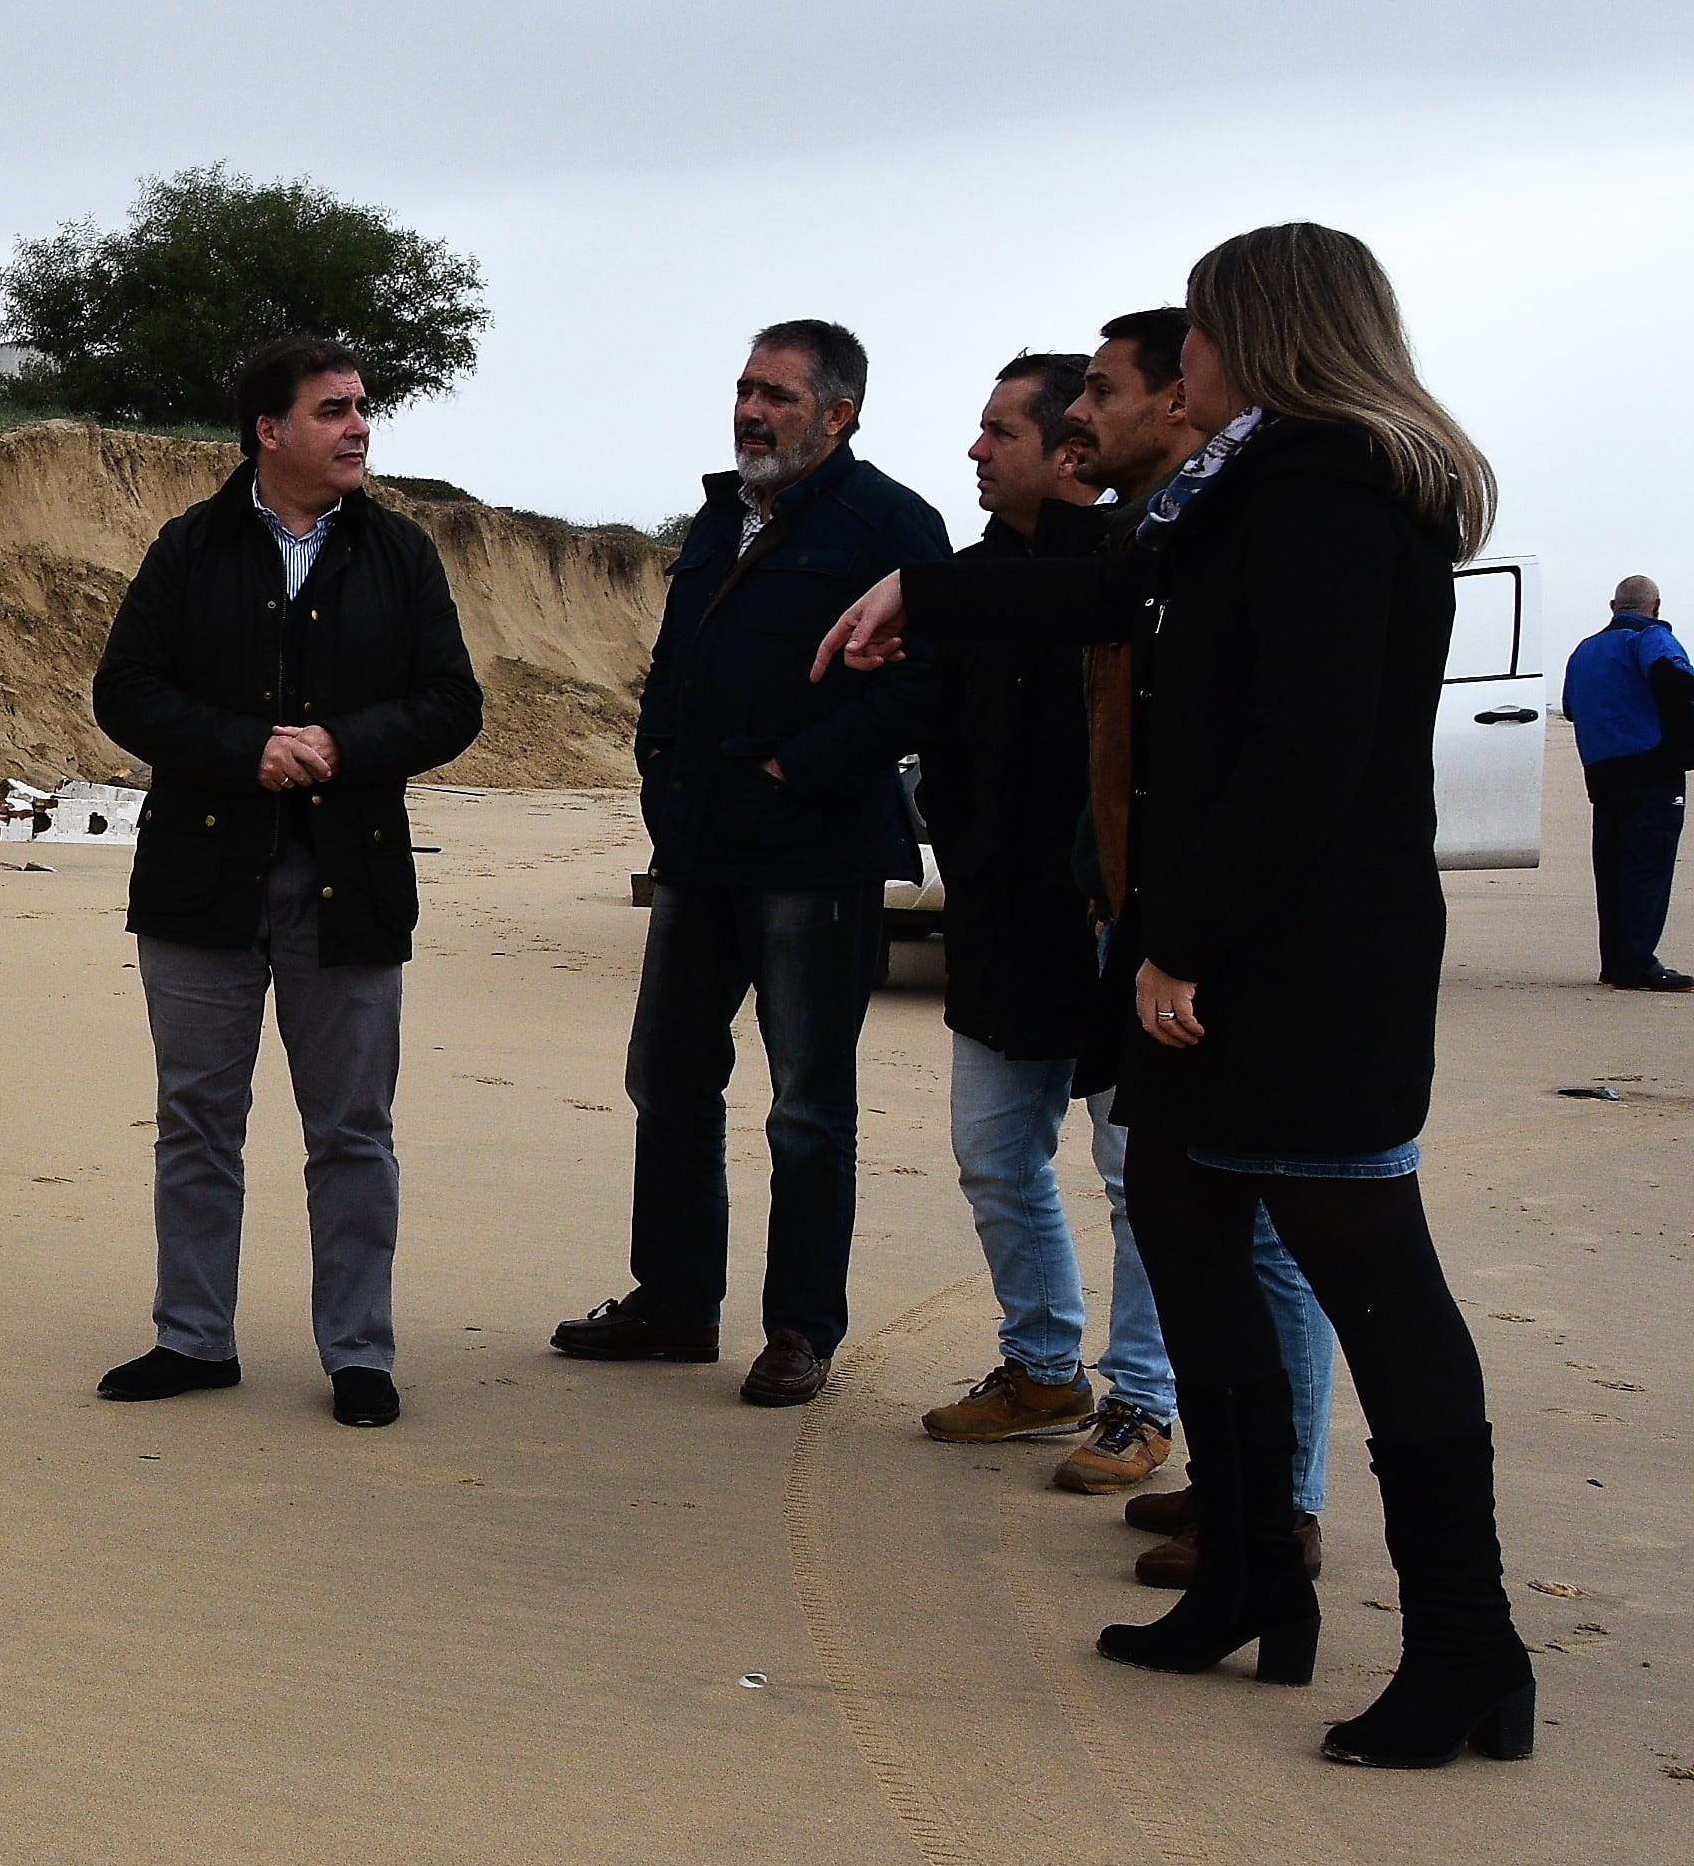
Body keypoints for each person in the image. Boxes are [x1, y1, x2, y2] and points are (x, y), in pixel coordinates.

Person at [821, 223, 1527, 1769]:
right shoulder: (1238, 493)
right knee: (1193, 1234)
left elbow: (1310, 752)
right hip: (1224, 945)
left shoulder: (1338, 488)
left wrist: (1181, 940)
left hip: (1310, 960)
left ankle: (1473, 1646)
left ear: (1258, 334)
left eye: (1195, 333)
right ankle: (1253, 1576)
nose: (1176, 358)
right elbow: (1100, 589)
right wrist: (914, 596)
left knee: (1371, 1269)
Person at [90, 335, 486, 1425]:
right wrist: (242, 746)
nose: (359, 426)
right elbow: (123, 690)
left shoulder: (400, 556)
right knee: (196, 1121)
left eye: (361, 408)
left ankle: (358, 1351)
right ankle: (191, 1337)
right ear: (268, 431)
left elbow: (452, 704)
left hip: (346, 883)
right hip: (200, 880)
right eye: (332, 410)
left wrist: (338, 745)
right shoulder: (189, 546)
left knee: (351, 1130)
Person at [554, 321, 950, 1405]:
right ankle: (675, 1303)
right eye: (742, 389)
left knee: (806, 1105)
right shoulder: (717, 515)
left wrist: (794, 773)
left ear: (837, 413)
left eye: (774, 395)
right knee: (667, 1078)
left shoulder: (891, 523)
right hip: (696, 847)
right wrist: (653, 768)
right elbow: (674, 661)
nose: (748, 412)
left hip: (813, 858)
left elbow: (924, 687)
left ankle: (798, 1331)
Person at [1061, 313, 1343, 1582]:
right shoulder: (1162, 532)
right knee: (1195, 1214)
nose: (1087, 414)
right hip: (1155, 913)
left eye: (1103, 392)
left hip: (1232, 939)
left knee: (1270, 1230)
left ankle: (1276, 1506)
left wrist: (1179, 938)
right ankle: (1236, 1487)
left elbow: (1282, 760)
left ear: (1180, 399)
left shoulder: (1258, 521)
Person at [910, 352, 1181, 1479]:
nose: (975, 451)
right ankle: (1038, 1367)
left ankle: (1144, 1401)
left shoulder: (1123, 576)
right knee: (990, 1154)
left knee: (1134, 1175)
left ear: (1067, 450)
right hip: (993, 919)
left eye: (997, 433)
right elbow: (936, 743)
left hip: (1113, 929)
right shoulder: (970, 583)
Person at [1562, 575, 1693, 990]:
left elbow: (1569, 708)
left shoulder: (1584, 650)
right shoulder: (1651, 637)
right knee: (1647, 867)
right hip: (1652, 770)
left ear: (1612, 605)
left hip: (1603, 775)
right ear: (1655, 605)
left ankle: (1616, 961)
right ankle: (1637, 962)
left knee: (1614, 867)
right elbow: (1670, 676)